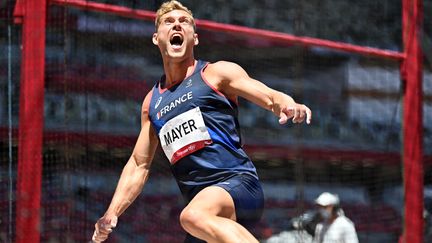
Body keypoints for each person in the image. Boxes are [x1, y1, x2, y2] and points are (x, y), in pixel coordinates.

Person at [92, 1, 312, 242]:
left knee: (191, 217)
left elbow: (268, 95)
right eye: (169, 21)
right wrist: (111, 212)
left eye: (183, 21)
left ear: (194, 38)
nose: (177, 24)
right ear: (157, 38)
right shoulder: (151, 103)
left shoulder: (216, 73)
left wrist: (286, 103)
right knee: (194, 217)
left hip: (238, 185)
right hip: (203, 213)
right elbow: (138, 164)